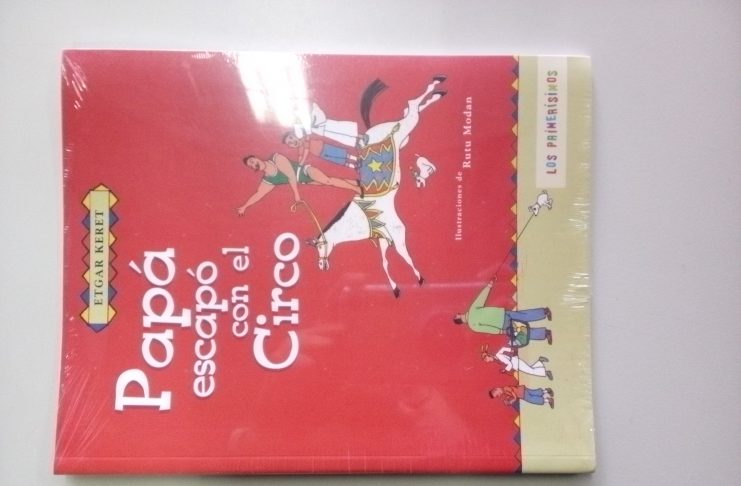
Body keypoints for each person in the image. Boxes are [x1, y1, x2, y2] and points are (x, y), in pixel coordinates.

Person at [236, 153, 360, 216]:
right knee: (329, 181)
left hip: (305, 171)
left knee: (327, 181)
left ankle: (357, 189)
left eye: (252, 161)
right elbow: (258, 194)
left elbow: (290, 174)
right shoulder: (268, 180)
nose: (254, 164)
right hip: (304, 180)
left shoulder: (276, 158)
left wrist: (296, 195)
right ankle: (356, 183)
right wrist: (244, 206)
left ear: (256, 157)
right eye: (251, 165)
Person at [453, 280, 553, 345]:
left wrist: (500, 332)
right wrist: (489, 286)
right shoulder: (472, 312)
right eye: (456, 315)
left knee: (521, 332)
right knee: (522, 316)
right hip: (501, 314)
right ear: (458, 318)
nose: (457, 314)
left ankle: (545, 333)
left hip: (501, 323)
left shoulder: (472, 325)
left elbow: (487, 328)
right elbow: (481, 298)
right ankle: (544, 312)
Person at [283, 131, 358, 169]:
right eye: (290, 143)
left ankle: (356, 158)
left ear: (295, 134)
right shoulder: (300, 148)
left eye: (291, 138)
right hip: (322, 155)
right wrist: (299, 165)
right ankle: (353, 166)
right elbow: (300, 156)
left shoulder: (304, 138)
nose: (292, 142)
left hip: (325, 147)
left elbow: (306, 150)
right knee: (337, 160)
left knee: (340, 153)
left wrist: (301, 162)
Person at [481, 345, 553, 380]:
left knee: (530, 370)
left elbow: (509, 364)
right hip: (515, 363)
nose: (488, 361)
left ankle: (546, 372)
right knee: (529, 369)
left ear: (489, 355)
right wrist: (510, 350)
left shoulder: (498, 356)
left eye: (487, 359)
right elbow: (502, 349)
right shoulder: (497, 357)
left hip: (515, 362)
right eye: (487, 361)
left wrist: (504, 370)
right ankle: (540, 361)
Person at [489, 386, 554, 409]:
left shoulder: (505, 388)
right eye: (497, 396)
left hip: (521, 393)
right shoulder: (504, 390)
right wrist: (508, 398)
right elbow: (510, 393)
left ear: (497, 389)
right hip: (522, 389)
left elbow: (513, 393)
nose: (499, 395)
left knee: (532, 399)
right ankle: (547, 391)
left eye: (497, 394)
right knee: (533, 392)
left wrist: (512, 400)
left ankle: (548, 400)